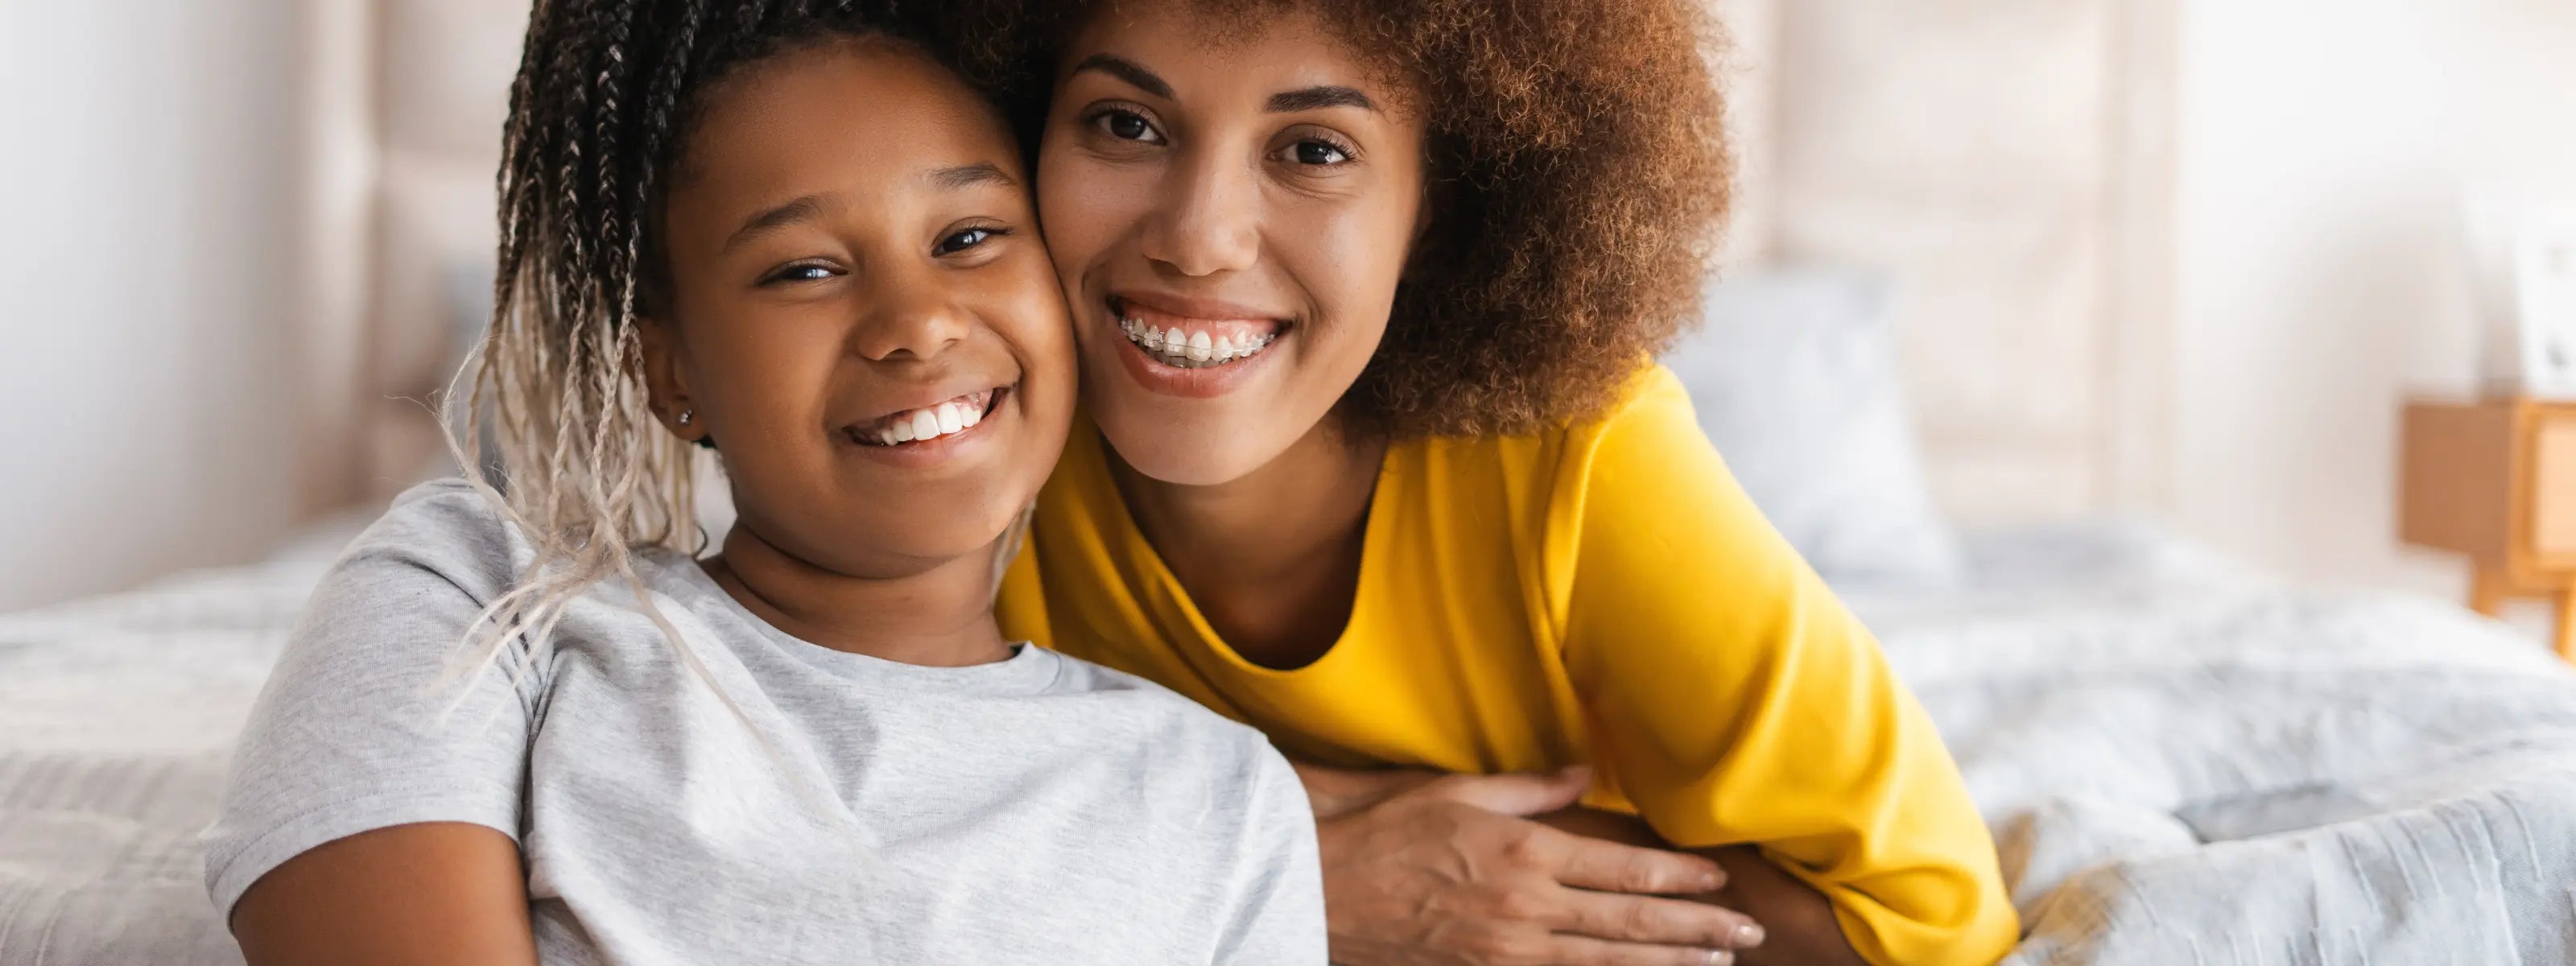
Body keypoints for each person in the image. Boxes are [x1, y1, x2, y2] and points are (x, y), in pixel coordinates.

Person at [203, 3, 1321, 963]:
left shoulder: (1221, 796)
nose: (917, 322)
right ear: (671, 372)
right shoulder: (481, 602)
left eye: (972, 235)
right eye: (805, 270)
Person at [955, 0, 2023, 962]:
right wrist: (1287, 860)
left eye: (1315, 149)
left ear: (1442, 210)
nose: (1197, 239)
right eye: (1126, 125)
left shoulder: (1584, 465)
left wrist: (1446, 874)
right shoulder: (962, 444)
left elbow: (1930, 926)